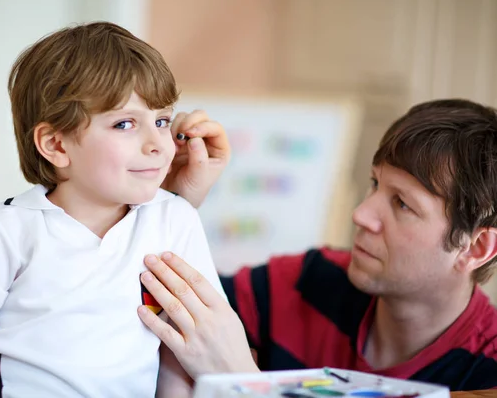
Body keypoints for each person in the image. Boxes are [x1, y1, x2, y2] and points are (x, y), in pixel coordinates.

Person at [0, 21, 228, 398]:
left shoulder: (176, 219)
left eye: (162, 120)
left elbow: (179, 359)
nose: (158, 144)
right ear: (56, 145)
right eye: (125, 123)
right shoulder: (2, 230)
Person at [138, 98, 497, 391]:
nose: (361, 215)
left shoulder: (489, 372)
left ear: (476, 248)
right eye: (375, 184)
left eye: (402, 203)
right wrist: (171, 204)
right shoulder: (306, 280)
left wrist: (243, 379)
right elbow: (163, 307)